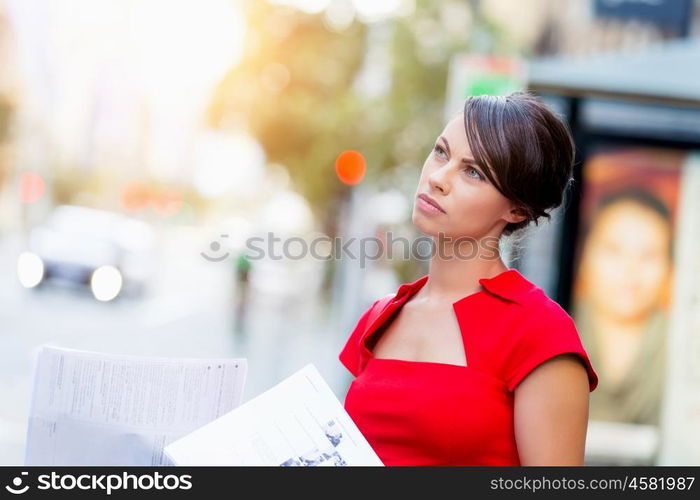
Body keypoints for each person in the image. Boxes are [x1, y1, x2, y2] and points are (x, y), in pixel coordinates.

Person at [338, 91, 599, 466]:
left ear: (516, 208)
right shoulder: (381, 316)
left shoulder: (541, 334)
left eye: (473, 172)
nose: (438, 178)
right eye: (441, 152)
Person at [573, 188, 673, 427]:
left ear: (669, 266)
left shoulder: (684, 343)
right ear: (584, 256)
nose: (630, 270)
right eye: (613, 250)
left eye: (649, 255)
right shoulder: (553, 328)